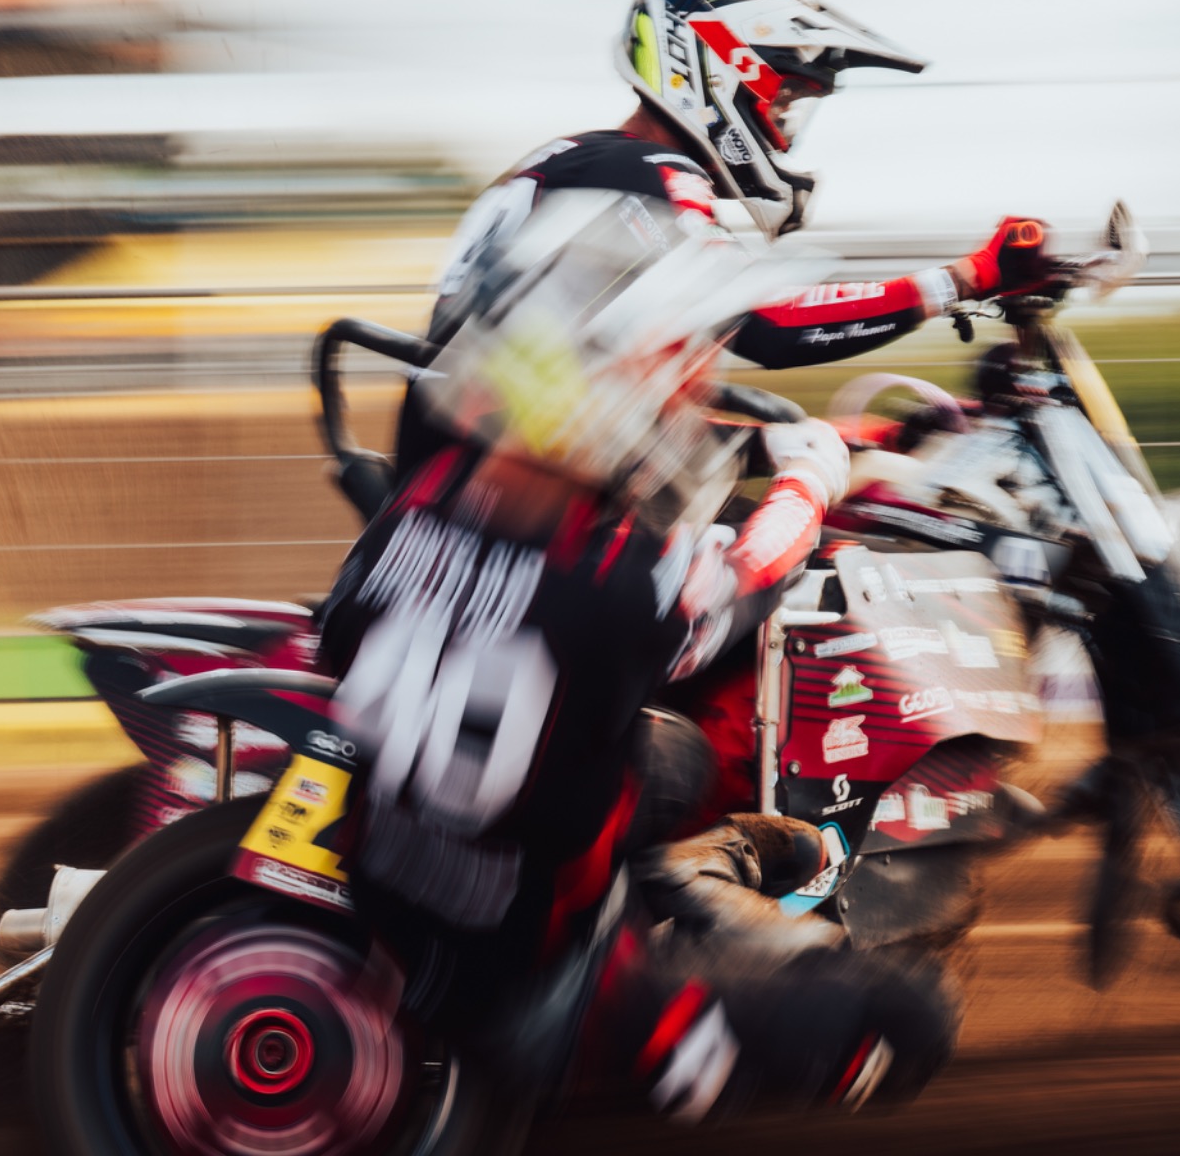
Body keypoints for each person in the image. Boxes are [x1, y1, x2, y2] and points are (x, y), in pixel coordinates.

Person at [321, 196, 957, 1123]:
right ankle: (639, 984)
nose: (686, 400)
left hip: (392, 896)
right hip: (536, 990)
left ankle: (658, 883)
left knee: (673, 753)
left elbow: (345, 634)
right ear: (601, 402)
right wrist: (811, 477)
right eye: (672, 380)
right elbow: (753, 572)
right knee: (911, 1019)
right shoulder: (615, 587)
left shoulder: (413, 510)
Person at [398, 0, 1054, 472]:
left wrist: (867, 439)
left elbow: (632, 436)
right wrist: (969, 276)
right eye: (784, 99)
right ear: (719, 71)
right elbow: (770, 325)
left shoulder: (594, 165)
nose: (783, 136)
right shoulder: (647, 171)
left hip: (480, 487)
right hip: (493, 513)